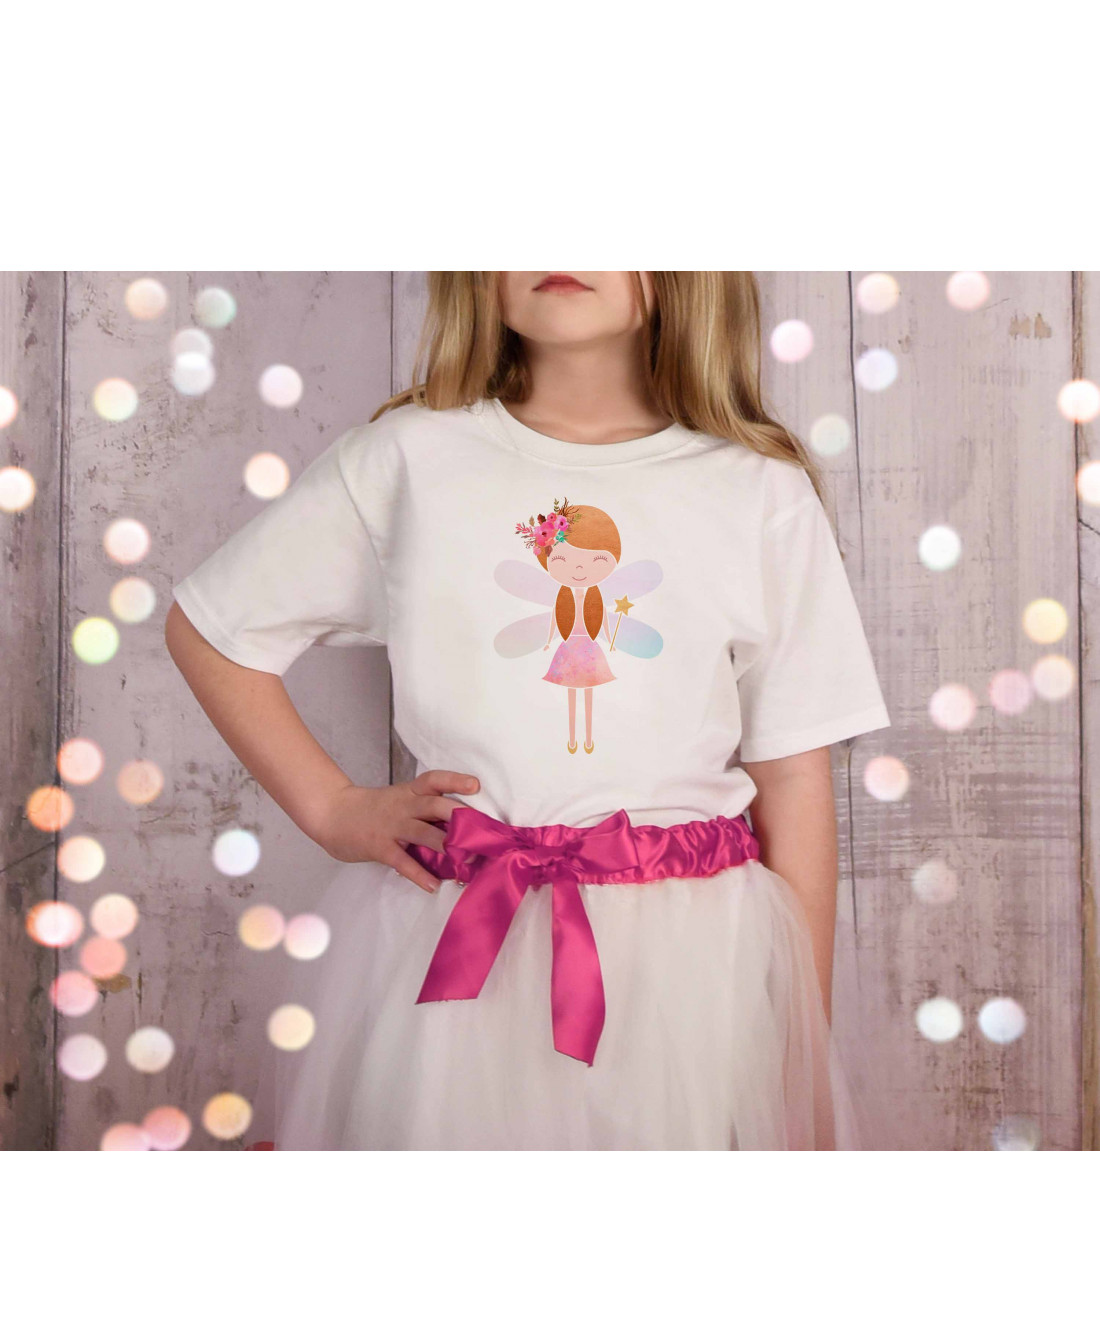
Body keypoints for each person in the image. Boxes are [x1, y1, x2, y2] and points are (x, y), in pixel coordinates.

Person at [166, 271, 892, 1150]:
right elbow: (215, 630)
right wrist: (332, 808)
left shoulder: (758, 489)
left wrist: (801, 1062)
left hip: (690, 970)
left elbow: (794, 773)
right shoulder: (411, 459)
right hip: (457, 939)